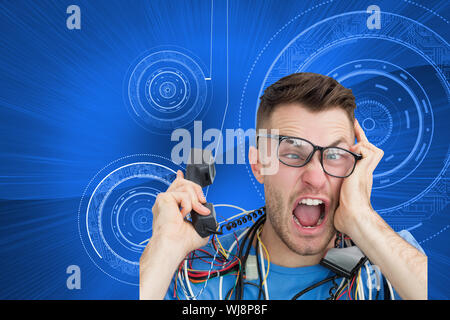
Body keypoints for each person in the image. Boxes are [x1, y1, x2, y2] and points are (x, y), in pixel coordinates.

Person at [139, 72, 427, 300]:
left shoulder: (392, 258)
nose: (315, 178)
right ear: (258, 164)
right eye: (292, 154)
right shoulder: (196, 270)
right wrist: (164, 251)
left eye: (336, 155)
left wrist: (363, 219)